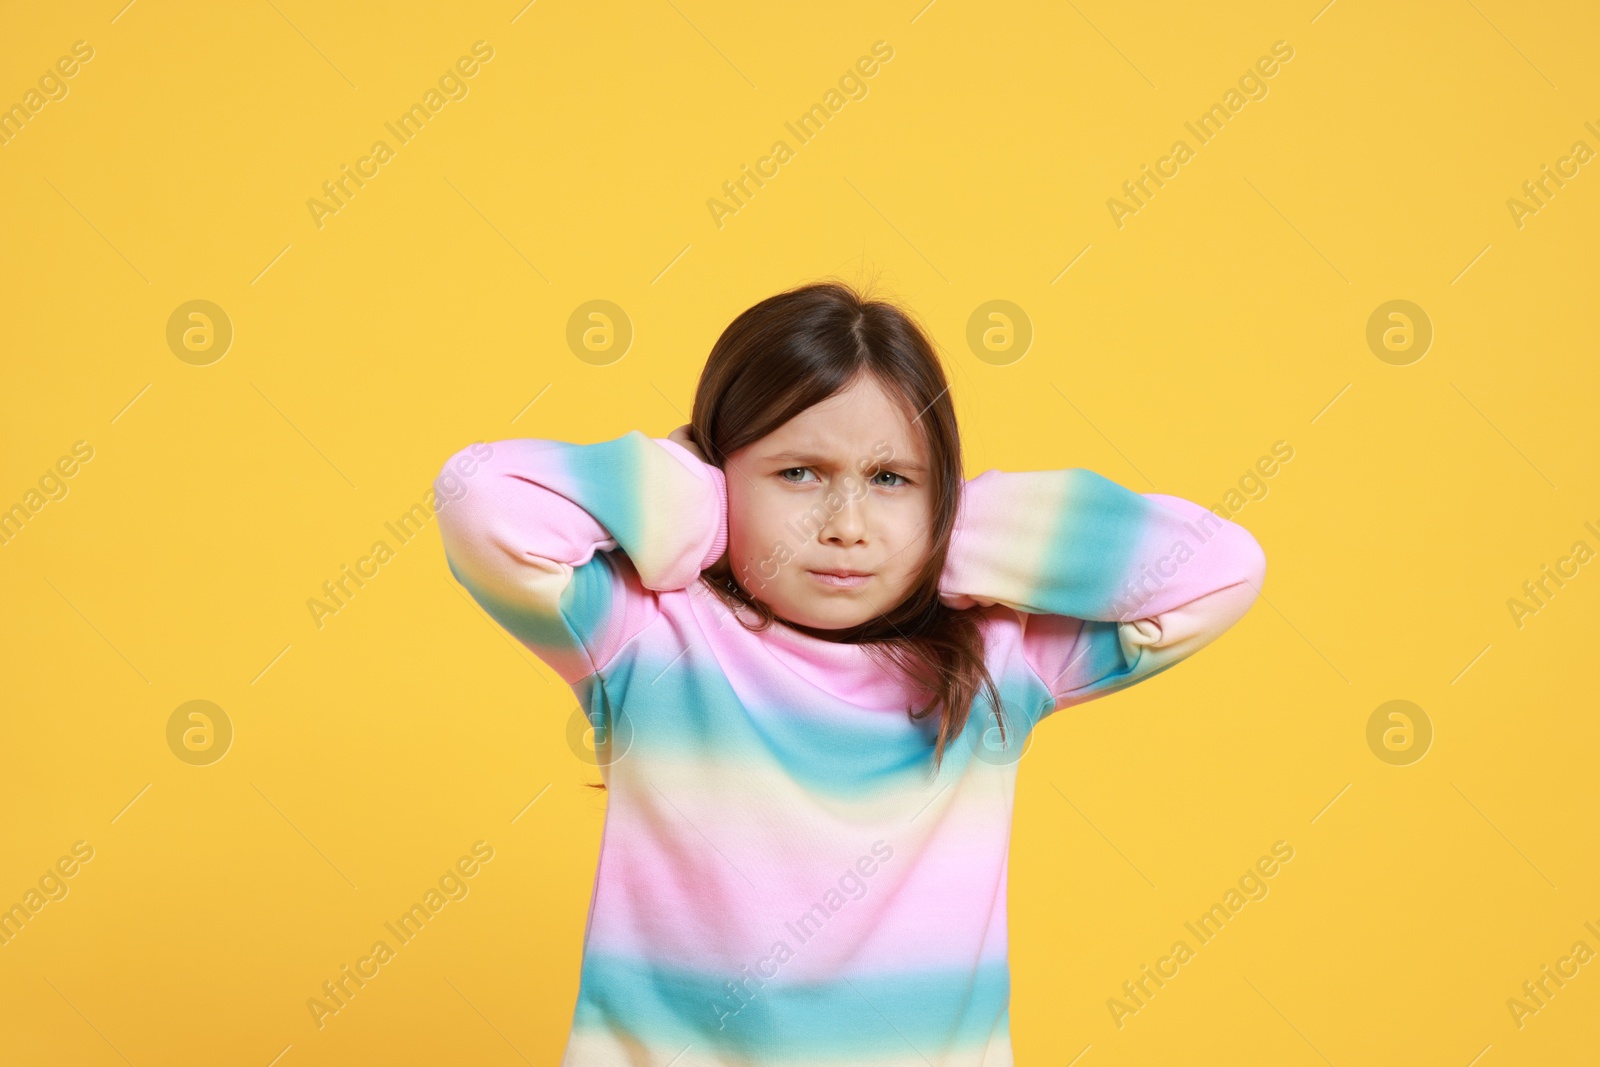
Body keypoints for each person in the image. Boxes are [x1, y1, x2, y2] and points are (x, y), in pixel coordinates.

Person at [433, 280, 1266, 1065]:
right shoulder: (645, 638)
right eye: (799, 473)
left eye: (891, 478)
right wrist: (700, 502)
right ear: (721, 478)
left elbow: (1219, 567)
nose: (847, 525)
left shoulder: (999, 664)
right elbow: (481, 499)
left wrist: (948, 531)